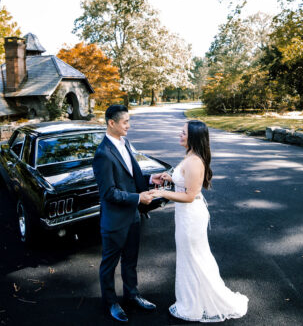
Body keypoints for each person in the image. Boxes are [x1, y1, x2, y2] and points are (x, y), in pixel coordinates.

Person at [150, 120, 248, 322]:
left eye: (183, 132)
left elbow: (189, 195)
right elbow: (184, 179)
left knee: (194, 257)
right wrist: (167, 178)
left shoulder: (195, 161)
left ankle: (196, 303)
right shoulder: (191, 155)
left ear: (193, 136)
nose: (180, 134)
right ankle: (193, 297)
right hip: (185, 215)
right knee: (190, 256)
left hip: (191, 216)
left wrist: (160, 192)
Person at [93, 104, 161, 323]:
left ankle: (132, 295)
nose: (129, 126)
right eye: (125, 122)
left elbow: (132, 175)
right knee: (109, 264)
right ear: (111, 123)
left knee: (131, 260)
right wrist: (137, 198)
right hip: (114, 220)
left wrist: (151, 180)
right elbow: (109, 193)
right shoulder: (103, 154)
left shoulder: (125, 142)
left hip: (132, 216)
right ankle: (111, 302)